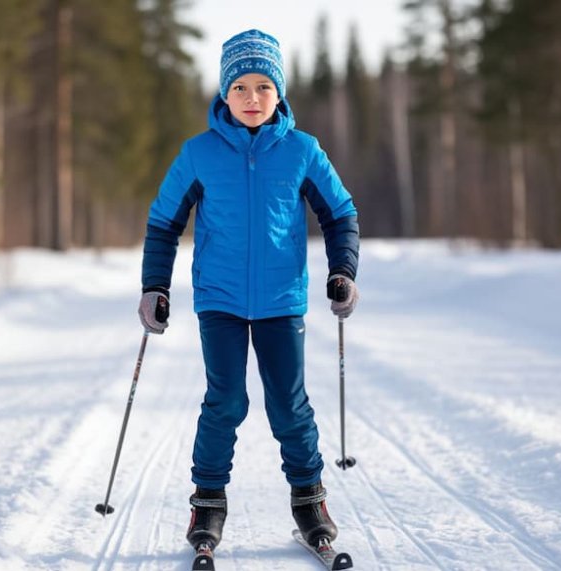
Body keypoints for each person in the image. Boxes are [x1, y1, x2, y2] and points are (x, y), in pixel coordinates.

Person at [137, 29, 360, 553]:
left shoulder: (303, 151)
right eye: (241, 87)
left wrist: (342, 271)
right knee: (226, 401)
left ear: (280, 92)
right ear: (224, 94)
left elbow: (341, 214)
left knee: (289, 405)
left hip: (282, 300)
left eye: (264, 86)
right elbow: (163, 224)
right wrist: (155, 286)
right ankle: (207, 505)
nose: (253, 98)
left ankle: (309, 500)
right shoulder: (199, 154)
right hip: (221, 300)